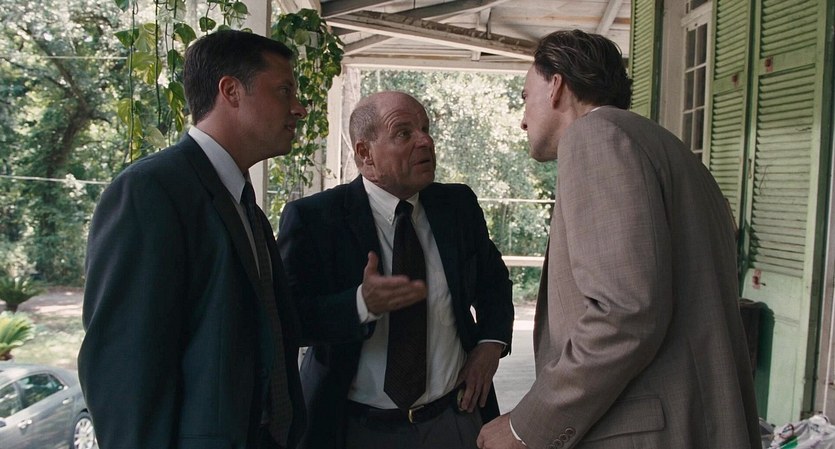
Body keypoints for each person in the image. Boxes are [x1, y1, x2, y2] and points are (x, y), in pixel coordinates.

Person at [477, 30, 760, 449]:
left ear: (556, 86)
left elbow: (624, 311)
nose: (522, 118)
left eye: (524, 97)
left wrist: (527, 428)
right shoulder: (670, 149)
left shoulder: (595, 137)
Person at [78, 30, 308, 449]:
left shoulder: (245, 205)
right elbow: (124, 372)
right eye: (284, 90)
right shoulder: (151, 191)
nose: (299, 108)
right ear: (231, 91)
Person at [277, 91, 514, 449]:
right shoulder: (315, 219)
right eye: (404, 133)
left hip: (453, 418)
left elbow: (493, 284)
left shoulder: (457, 206)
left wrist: (490, 345)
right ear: (365, 154)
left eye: (425, 128)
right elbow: (289, 319)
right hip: (354, 427)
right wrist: (360, 304)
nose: (425, 141)